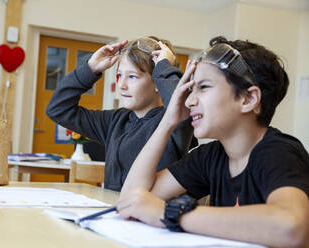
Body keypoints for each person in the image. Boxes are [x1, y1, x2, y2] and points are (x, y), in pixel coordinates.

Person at [117, 36, 309, 247]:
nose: (189, 101)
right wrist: (168, 120)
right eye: (192, 89)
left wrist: (172, 214)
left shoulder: (278, 153)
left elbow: (292, 228)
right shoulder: (211, 155)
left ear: (248, 99)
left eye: (204, 87)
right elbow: (131, 200)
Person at [46, 36, 196, 191]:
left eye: (132, 76)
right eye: (119, 75)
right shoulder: (114, 121)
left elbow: (179, 105)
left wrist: (163, 67)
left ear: (157, 82)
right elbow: (58, 109)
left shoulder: (174, 122)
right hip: (114, 213)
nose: (122, 85)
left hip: (152, 213)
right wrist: (90, 68)